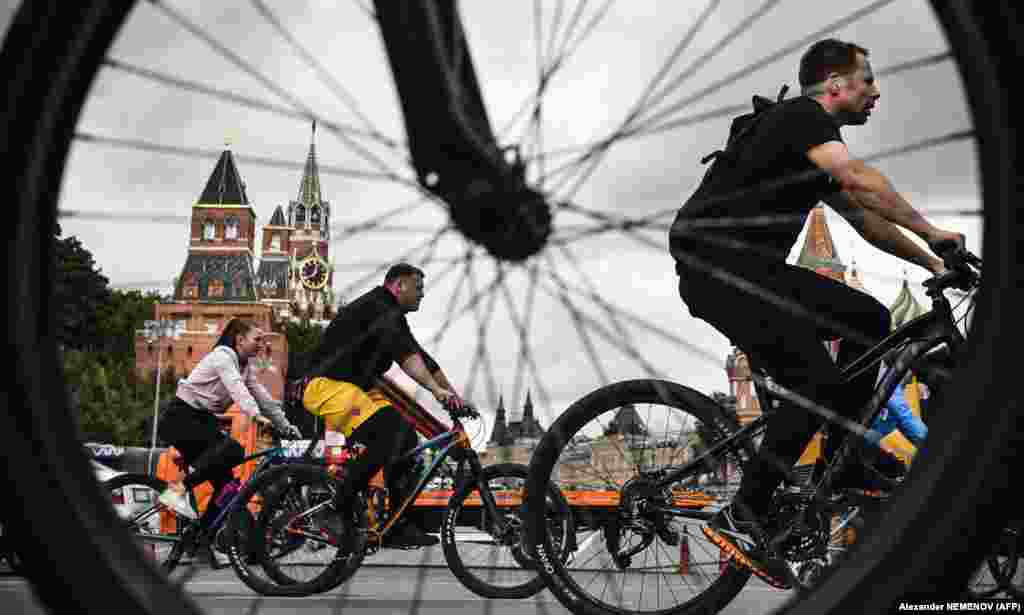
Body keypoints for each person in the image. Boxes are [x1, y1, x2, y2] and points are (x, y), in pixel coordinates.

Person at [669, 38, 964, 587]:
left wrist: (932, 262)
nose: (876, 92)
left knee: (873, 320)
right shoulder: (800, 118)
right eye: (867, 81)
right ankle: (743, 513)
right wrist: (934, 229)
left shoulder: (807, 148)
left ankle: (840, 464)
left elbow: (868, 222)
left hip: (748, 270)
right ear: (835, 85)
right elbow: (862, 181)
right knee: (814, 381)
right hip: (717, 267)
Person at [303, 263, 464, 548]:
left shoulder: (393, 316)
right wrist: (438, 393)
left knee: (407, 439)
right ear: (399, 285)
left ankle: (395, 524)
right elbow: (406, 359)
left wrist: (453, 396)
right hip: (327, 385)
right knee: (389, 433)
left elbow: (421, 358)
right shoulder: (378, 307)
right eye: (419, 287)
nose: (423, 294)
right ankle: (333, 510)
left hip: (356, 390)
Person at [156, 319, 302, 529]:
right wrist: (255, 415)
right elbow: (237, 389)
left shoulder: (244, 367)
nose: (262, 344)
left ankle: (200, 538)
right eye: (257, 339)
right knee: (234, 450)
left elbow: (264, 399)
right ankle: (174, 493)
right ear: (240, 340)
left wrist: (285, 426)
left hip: (202, 420)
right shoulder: (222, 357)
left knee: (227, 487)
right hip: (181, 418)